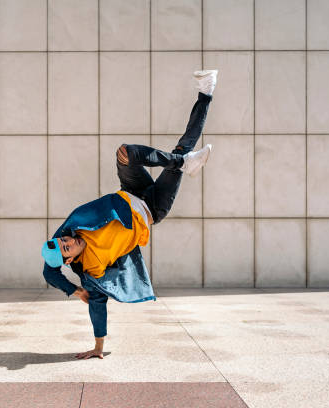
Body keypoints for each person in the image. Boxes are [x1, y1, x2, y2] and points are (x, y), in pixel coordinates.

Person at [41, 70, 218, 359]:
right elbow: (73, 288)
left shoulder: (73, 226)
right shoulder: (93, 271)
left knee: (126, 152)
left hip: (131, 191)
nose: (66, 241)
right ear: (70, 260)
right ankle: (207, 91)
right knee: (183, 148)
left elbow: (47, 265)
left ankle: (183, 163)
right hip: (153, 208)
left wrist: (57, 247)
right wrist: (77, 297)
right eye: (65, 248)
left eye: (63, 241)